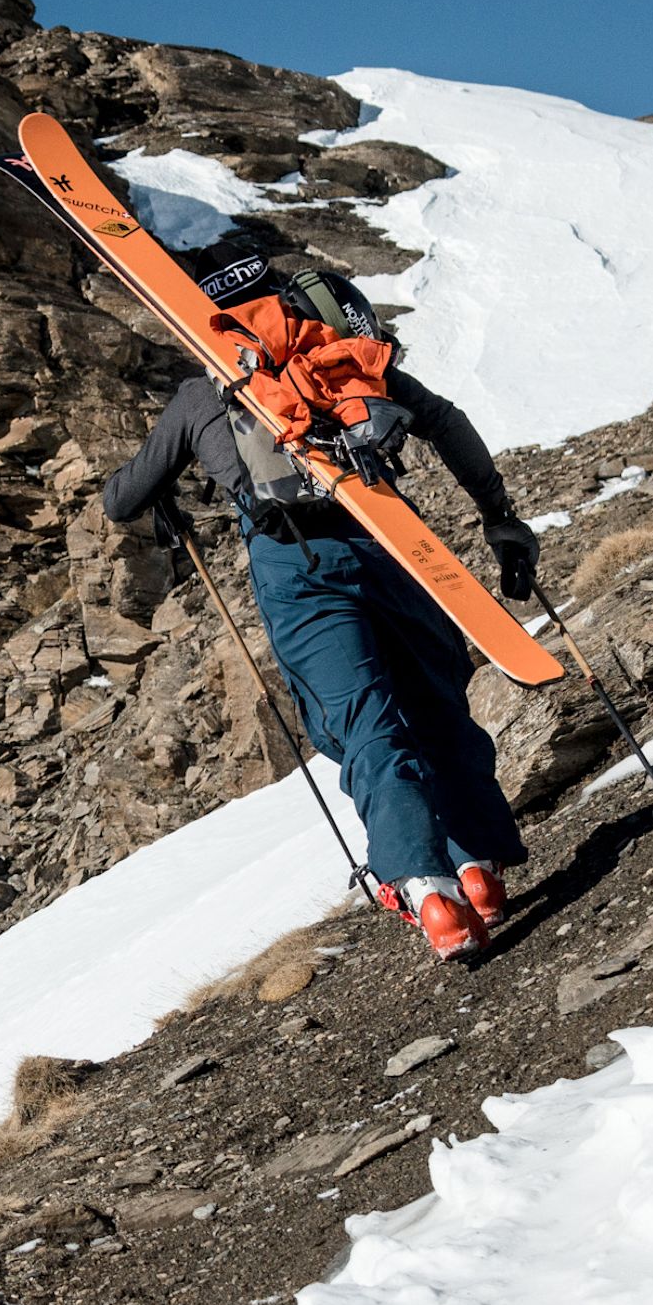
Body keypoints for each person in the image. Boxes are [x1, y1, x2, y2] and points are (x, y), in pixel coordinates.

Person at [100, 238, 542, 960]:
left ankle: (429, 892)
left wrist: (163, 493)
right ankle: (479, 865)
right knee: (437, 703)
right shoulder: (337, 357)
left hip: (297, 568)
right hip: (394, 546)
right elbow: (447, 422)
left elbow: (121, 499)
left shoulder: (201, 392)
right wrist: (499, 517)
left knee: (364, 723)